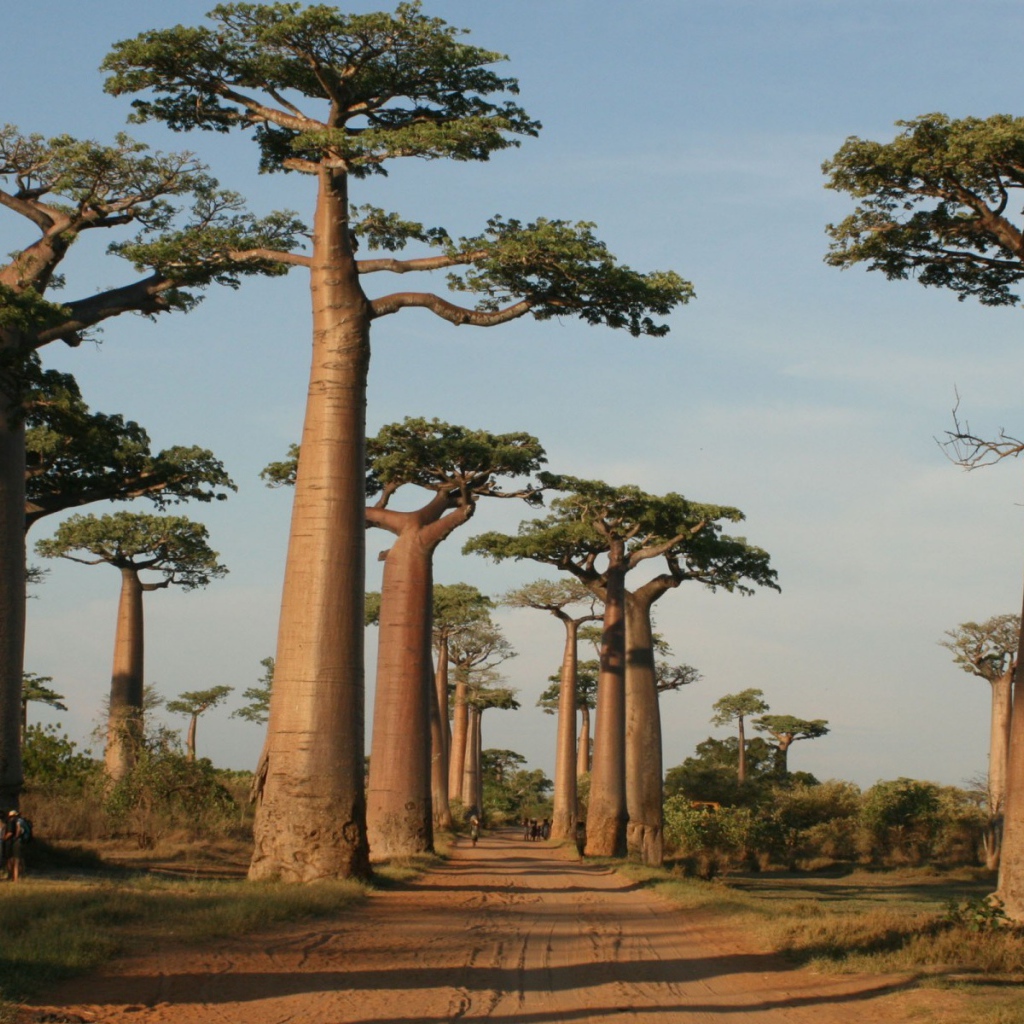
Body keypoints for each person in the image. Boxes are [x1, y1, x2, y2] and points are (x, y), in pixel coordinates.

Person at [3, 810, 26, 882]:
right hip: (20, 842)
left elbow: (12, 832)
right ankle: (16, 877)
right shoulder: (21, 821)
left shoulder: (15, 822)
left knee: (15, 860)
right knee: (17, 860)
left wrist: (14, 838)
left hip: (15, 842)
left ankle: (15, 878)